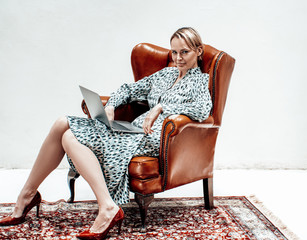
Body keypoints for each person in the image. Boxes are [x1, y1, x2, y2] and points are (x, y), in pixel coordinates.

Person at [0, 27, 212, 240]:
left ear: (199, 51)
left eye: (184, 52)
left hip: (154, 139)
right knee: (61, 123)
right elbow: (128, 89)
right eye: (174, 52)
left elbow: (204, 110)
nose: (178, 58)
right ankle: (28, 195)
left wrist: (160, 108)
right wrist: (111, 105)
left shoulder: (200, 81)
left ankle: (106, 208)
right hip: (133, 131)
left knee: (68, 137)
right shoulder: (165, 74)